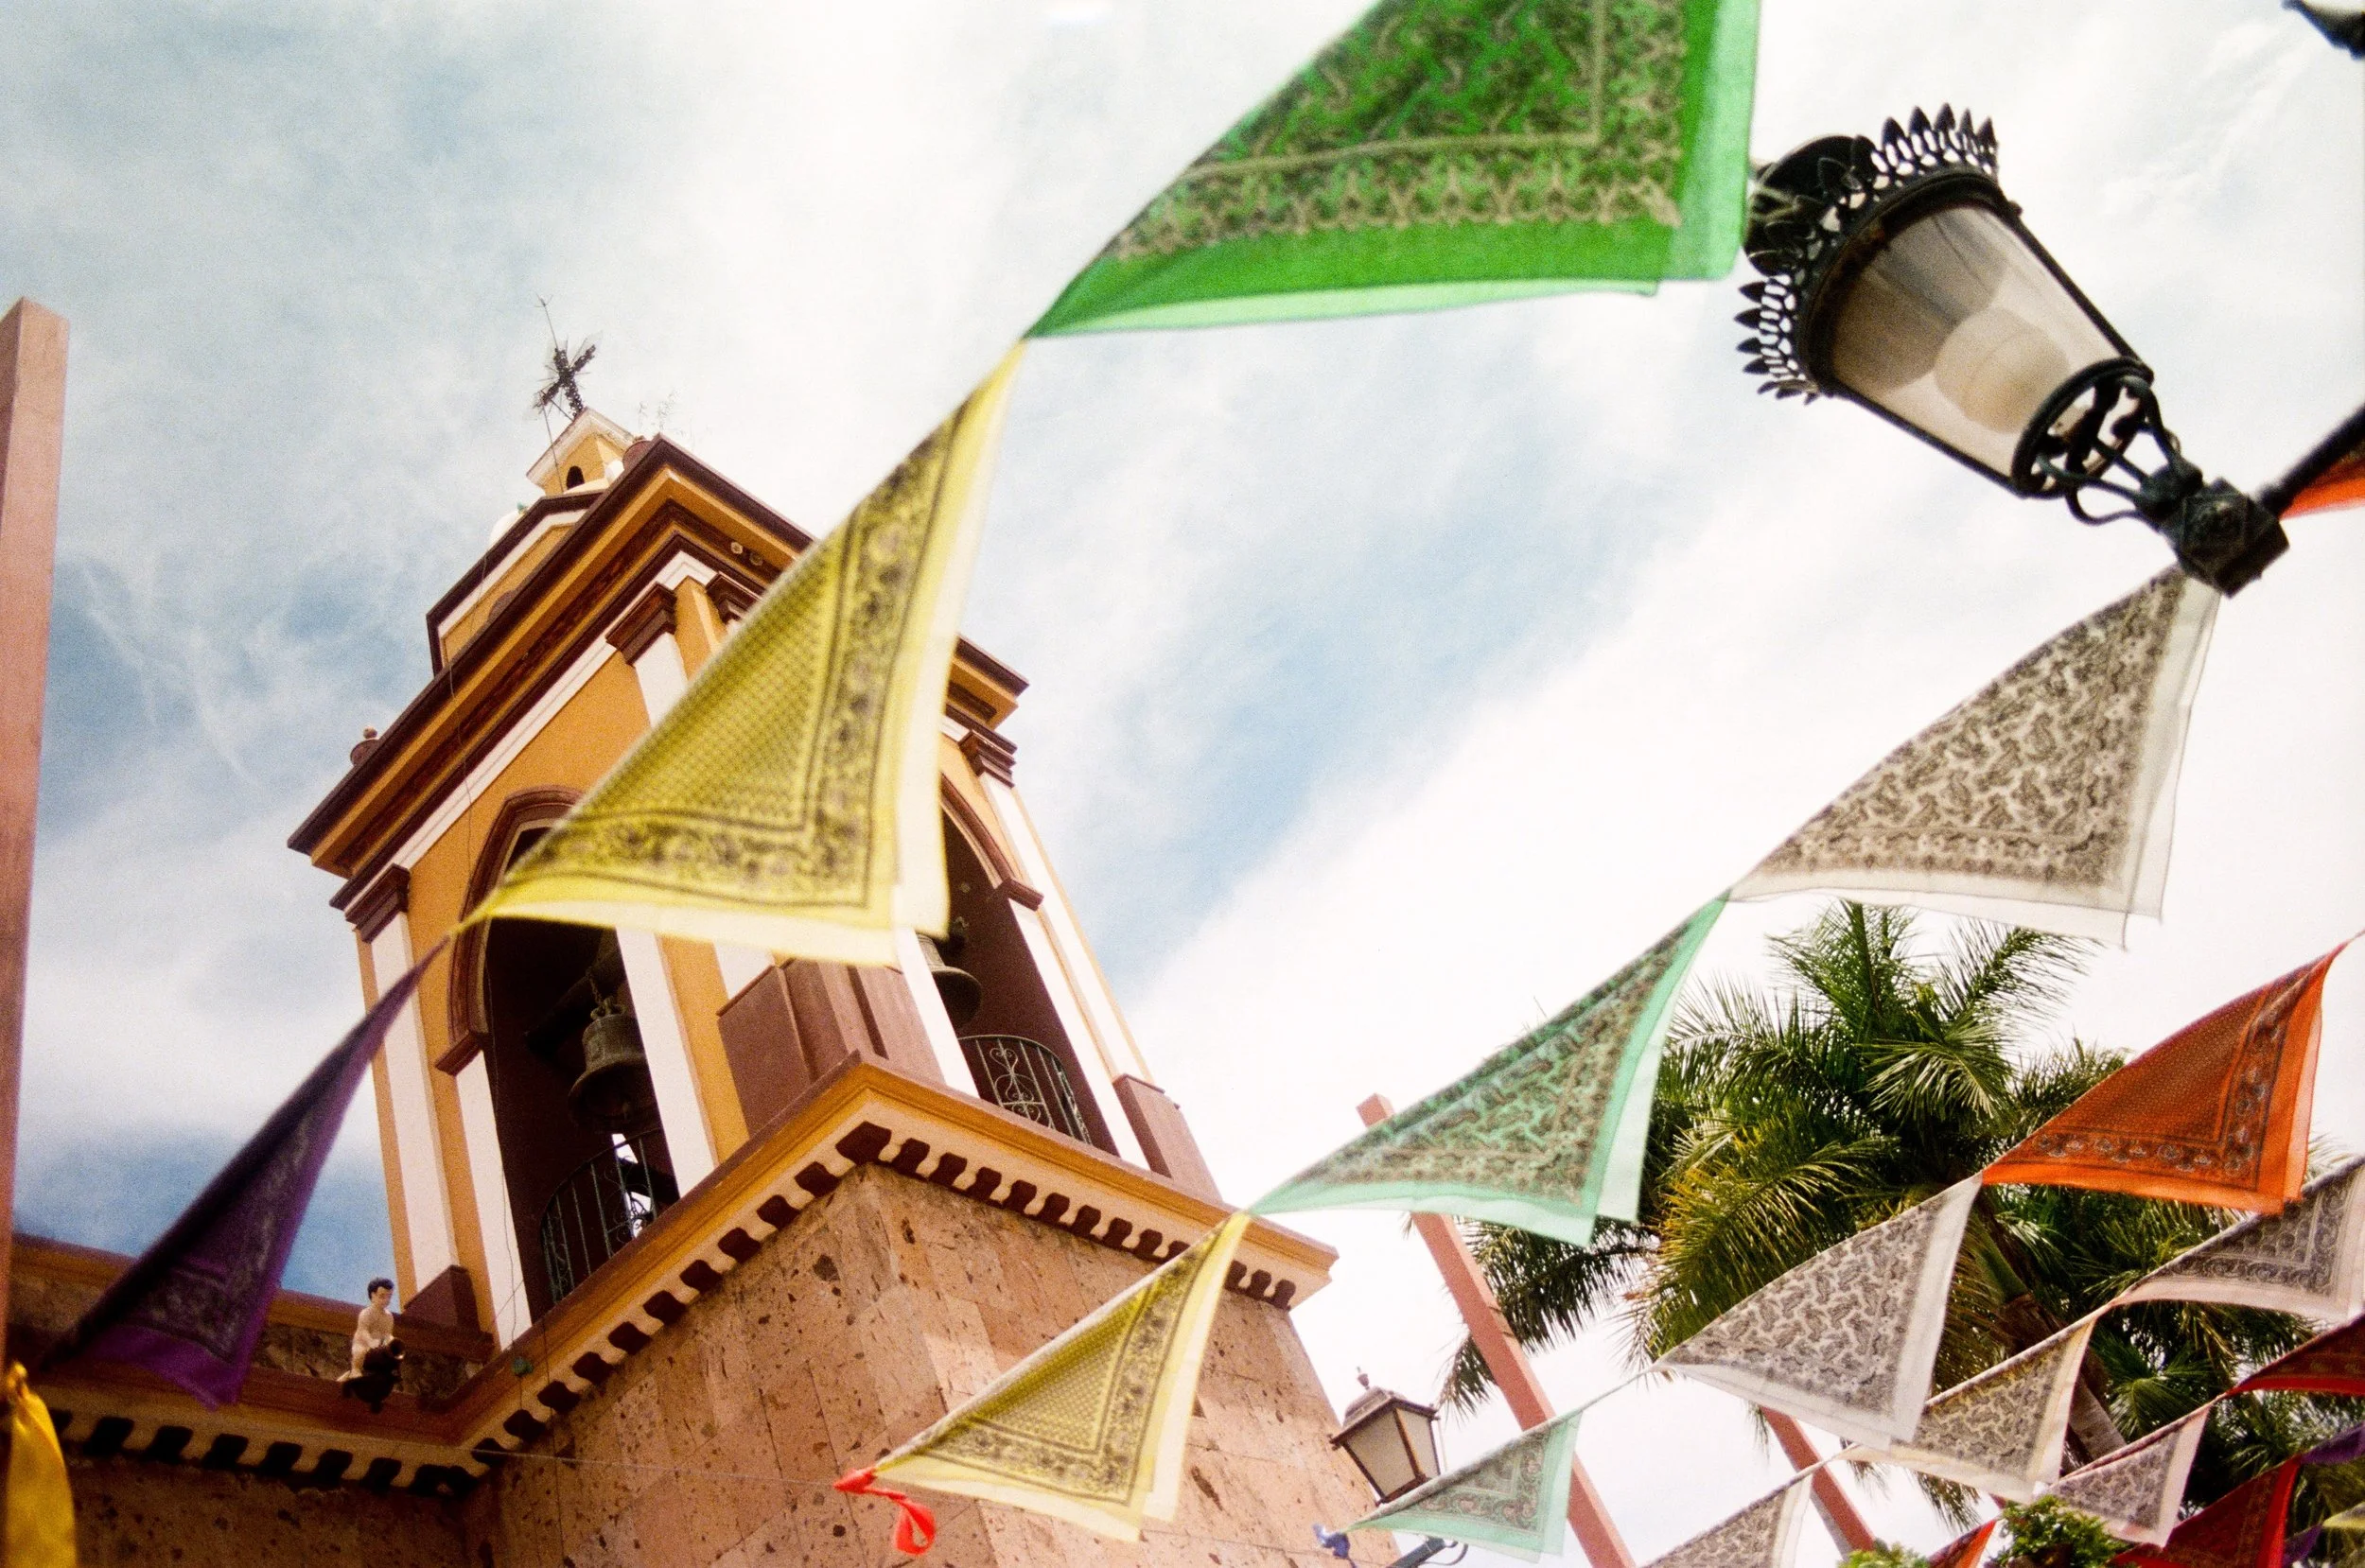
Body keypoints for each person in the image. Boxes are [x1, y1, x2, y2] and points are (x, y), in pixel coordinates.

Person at [339, 1277, 404, 1412]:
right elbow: (363, 1331)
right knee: (360, 1353)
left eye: (389, 1296)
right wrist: (370, 1343)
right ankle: (355, 1371)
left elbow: (387, 1334)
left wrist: (391, 1342)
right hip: (363, 1342)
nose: (386, 1300)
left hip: (378, 1346)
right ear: (372, 1295)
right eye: (382, 1296)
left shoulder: (388, 1317)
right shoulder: (366, 1313)